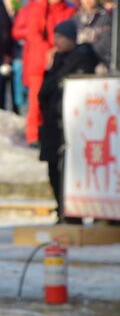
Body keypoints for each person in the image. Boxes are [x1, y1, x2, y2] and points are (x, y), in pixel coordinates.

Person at [38, 18, 102, 224]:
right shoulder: (57, 60)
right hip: (52, 122)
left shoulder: (82, 58)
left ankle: (73, 212)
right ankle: (62, 208)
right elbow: (44, 91)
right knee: (53, 168)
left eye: (60, 37)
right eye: (55, 36)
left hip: (73, 124)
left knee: (71, 169)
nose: (57, 41)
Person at [14, 0, 74, 144]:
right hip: (39, 62)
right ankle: (33, 135)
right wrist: (49, 50)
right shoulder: (37, 9)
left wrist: (58, 49)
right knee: (36, 100)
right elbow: (33, 34)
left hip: (61, 62)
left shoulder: (68, 10)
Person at [74, 0, 112, 68]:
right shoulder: (76, 19)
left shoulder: (106, 18)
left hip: (100, 62)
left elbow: (106, 43)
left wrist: (87, 52)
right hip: (78, 62)